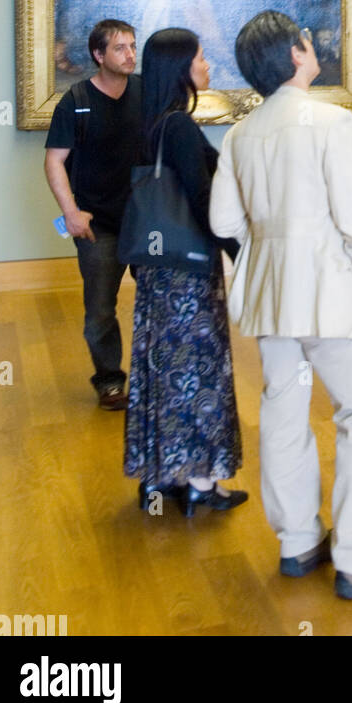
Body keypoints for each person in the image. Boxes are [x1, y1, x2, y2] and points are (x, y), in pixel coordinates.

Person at [210, 10, 352, 599]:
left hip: (270, 296)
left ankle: (298, 541)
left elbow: (223, 220)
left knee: (283, 410)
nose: (312, 44)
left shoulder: (238, 134)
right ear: (296, 55)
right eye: (306, 39)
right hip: (330, 291)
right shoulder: (330, 122)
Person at [122, 28, 245, 516]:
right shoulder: (179, 127)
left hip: (158, 271)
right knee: (199, 369)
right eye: (199, 57)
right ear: (180, 68)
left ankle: (165, 476)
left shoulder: (150, 123)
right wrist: (239, 251)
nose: (207, 65)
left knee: (162, 370)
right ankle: (200, 483)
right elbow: (203, 201)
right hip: (188, 274)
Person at [44, 19, 141, 410]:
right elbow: (54, 161)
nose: (130, 54)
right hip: (97, 225)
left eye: (133, 46)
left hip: (146, 222)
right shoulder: (76, 100)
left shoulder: (146, 91)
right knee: (100, 308)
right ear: (98, 55)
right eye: (120, 48)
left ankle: (155, 375)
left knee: (157, 302)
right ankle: (110, 381)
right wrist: (71, 213)